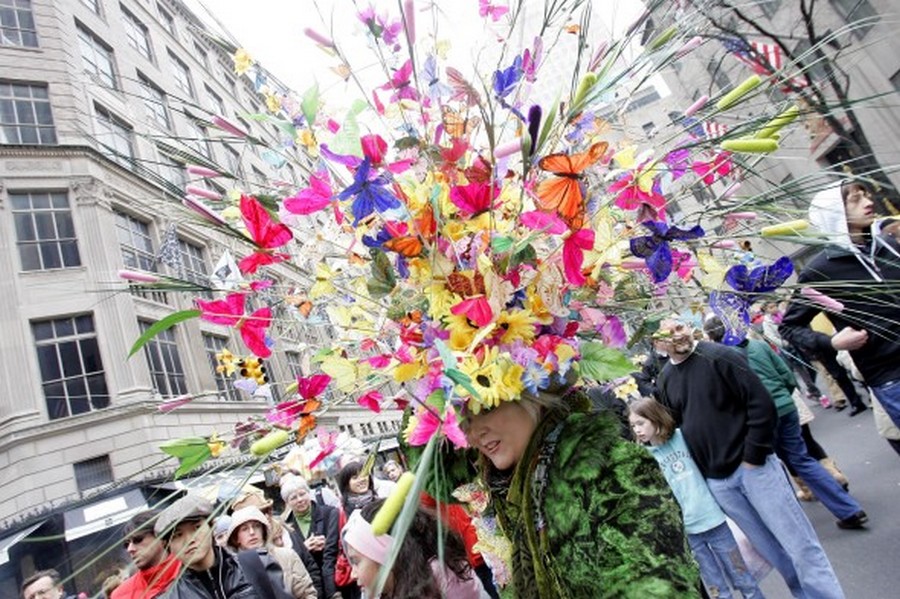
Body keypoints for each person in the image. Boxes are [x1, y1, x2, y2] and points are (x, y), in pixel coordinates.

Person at [654, 318, 844, 598]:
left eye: (680, 327)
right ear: (658, 343)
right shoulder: (666, 379)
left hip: (755, 470)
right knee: (772, 551)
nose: (677, 335)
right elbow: (677, 427)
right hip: (719, 483)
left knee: (799, 544)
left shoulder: (721, 356)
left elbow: (761, 403)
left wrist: (753, 456)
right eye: (668, 333)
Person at [464, 387, 700, 598]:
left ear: (531, 395)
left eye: (486, 407)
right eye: (465, 420)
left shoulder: (606, 464)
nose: (474, 434)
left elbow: (655, 581)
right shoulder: (506, 483)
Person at [703, 315, 868, 529]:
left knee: (772, 468)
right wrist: (781, 398)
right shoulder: (759, 346)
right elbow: (787, 377)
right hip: (786, 408)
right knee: (802, 459)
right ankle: (849, 510)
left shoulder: (721, 359)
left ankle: (791, 522)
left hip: (759, 417)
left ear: (712, 336)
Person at [780, 179, 900, 428]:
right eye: (855, 199)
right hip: (891, 376)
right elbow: (789, 327)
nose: (868, 202)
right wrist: (832, 342)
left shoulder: (888, 246)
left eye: (866, 195)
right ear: (834, 212)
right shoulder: (819, 271)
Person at [628, 397, 763, 599]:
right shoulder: (644, 457)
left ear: (656, 419)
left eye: (641, 423)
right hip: (688, 532)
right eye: (633, 426)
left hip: (715, 521)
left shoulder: (683, 437)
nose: (637, 430)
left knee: (742, 576)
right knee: (716, 588)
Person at [342, 498, 489, 599]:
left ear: (385, 557)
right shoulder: (390, 589)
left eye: (356, 561)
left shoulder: (440, 578)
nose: (353, 574)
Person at [154, 494, 259, 599]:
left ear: (211, 526)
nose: (190, 540)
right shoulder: (172, 596)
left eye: (197, 528)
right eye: (178, 535)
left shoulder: (256, 565)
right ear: (167, 546)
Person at [231, 485, 325, 598]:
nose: (252, 532)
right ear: (236, 537)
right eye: (244, 529)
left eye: (256, 526)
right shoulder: (232, 569)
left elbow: (308, 591)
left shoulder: (286, 552)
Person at [280, 475, 341, 599]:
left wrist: (327, 544)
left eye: (302, 494)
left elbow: (335, 549)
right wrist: (304, 548)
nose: (300, 500)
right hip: (310, 585)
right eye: (293, 498)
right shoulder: (286, 526)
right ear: (287, 503)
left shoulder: (330, 513)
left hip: (334, 580)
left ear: (309, 493)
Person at [111, 510, 181, 599]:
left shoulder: (192, 570)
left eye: (138, 540)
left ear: (161, 536)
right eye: (126, 544)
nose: (130, 549)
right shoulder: (120, 595)